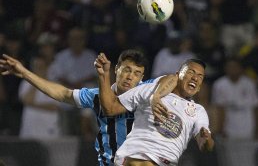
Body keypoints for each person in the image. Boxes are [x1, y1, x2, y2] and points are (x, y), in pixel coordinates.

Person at [0, 49, 176, 165]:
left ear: (142, 77)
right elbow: (63, 94)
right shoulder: (96, 96)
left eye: (137, 73)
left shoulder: (146, 91)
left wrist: (157, 96)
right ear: (117, 69)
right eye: (127, 70)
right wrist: (24, 73)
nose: (131, 77)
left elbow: (173, 77)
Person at [95, 53, 215, 166]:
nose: (195, 78)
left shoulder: (198, 111)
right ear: (178, 74)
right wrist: (103, 75)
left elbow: (204, 145)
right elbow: (110, 108)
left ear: (199, 87)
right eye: (191, 72)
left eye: (200, 76)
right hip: (134, 159)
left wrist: (207, 139)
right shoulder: (149, 90)